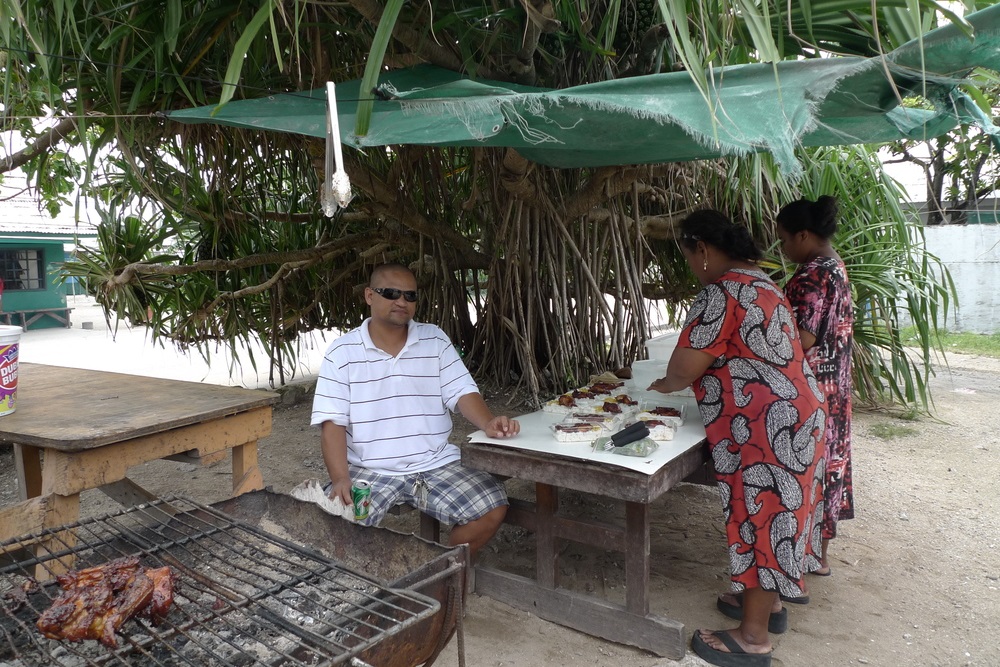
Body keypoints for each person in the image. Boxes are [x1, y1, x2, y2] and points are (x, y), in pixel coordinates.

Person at [648, 210, 825, 667]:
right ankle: (771, 606)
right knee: (780, 518)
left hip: (767, 426)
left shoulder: (721, 292)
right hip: (801, 414)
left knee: (762, 517)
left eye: (689, 257)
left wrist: (658, 387)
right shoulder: (765, 285)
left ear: (702, 250)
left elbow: (684, 369)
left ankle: (752, 639)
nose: (692, 266)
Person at [310, 263, 519, 560]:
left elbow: (461, 390)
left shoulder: (434, 340)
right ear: (370, 295)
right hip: (368, 470)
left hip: (435, 462)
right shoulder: (342, 353)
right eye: (391, 293)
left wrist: (488, 422)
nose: (401, 301)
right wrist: (341, 478)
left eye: (410, 296)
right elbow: (333, 423)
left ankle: (435, 568)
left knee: (493, 507)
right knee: (335, 532)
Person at [777, 196, 854, 578]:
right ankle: (818, 557)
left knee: (805, 471)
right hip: (835, 386)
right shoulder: (835, 265)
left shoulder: (813, 274)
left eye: (785, 240)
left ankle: (796, 565)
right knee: (827, 468)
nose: (783, 249)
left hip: (812, 389)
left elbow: (803, 337)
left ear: (803, 235)